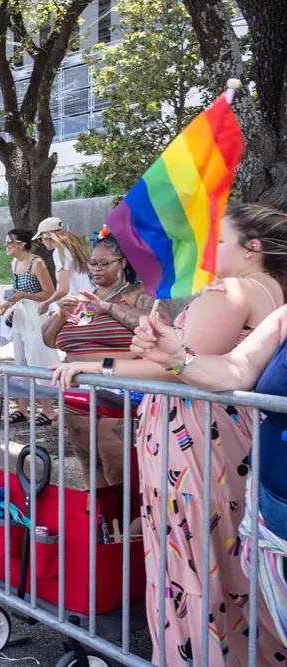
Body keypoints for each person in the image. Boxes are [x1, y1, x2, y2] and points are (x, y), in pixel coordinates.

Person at [52, 203, 287, 665]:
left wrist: (94, 365)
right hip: (227, 434)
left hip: (198, 435)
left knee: (193, 554)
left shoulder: (233, 289)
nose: (207, 248)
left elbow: (176, 369)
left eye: (219, 239)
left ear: (251, 248)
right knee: (227, 554)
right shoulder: (271, 289)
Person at [40, 233, 161, 487]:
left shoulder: (137, 294)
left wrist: (109, 308)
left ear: (123, 263)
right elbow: (49, 340)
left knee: (117, 469)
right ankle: (97, 513)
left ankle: (127, 514)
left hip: (118, 388)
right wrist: (62, 313)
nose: (96, 268)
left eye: (104, 263)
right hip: (77, 389)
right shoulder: (82, 298)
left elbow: (157, 327)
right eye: (93, 263)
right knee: (89, 463)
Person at [3, 228, 58, 425]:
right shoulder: (15, 263)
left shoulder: (37, 263)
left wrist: (24, 295)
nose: (6, 245)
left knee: (39, 359)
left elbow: (50, 293)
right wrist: (7, 305)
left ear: (22, 244)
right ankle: (22, 409)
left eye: (9, 241)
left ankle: (48, 410)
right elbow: (17, 292)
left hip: (36, 314)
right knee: (21, 361)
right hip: (20, 315)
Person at [33, 217, 94, 315]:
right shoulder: (74, 248)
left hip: (78, 305)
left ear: (47, 236)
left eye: (41, 239)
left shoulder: (59, 252)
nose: (42, 242)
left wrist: (46, 303)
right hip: (90, 299)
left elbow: (64, 289)